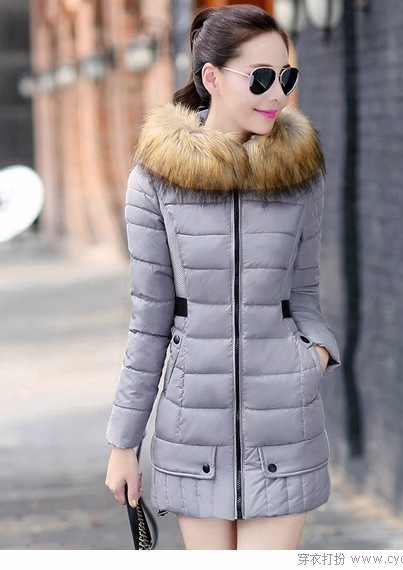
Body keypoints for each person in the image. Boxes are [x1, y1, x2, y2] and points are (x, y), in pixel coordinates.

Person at [105, 4, 341, 550]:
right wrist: (123, 443)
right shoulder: (156, 179)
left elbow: (305, 295)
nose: (277, 94)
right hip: (192, 434)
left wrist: (312, 357)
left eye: (286, 77)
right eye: (260, 78)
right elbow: (149, 323)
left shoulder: (299, 174)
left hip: (285, 426)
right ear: (210, 78)